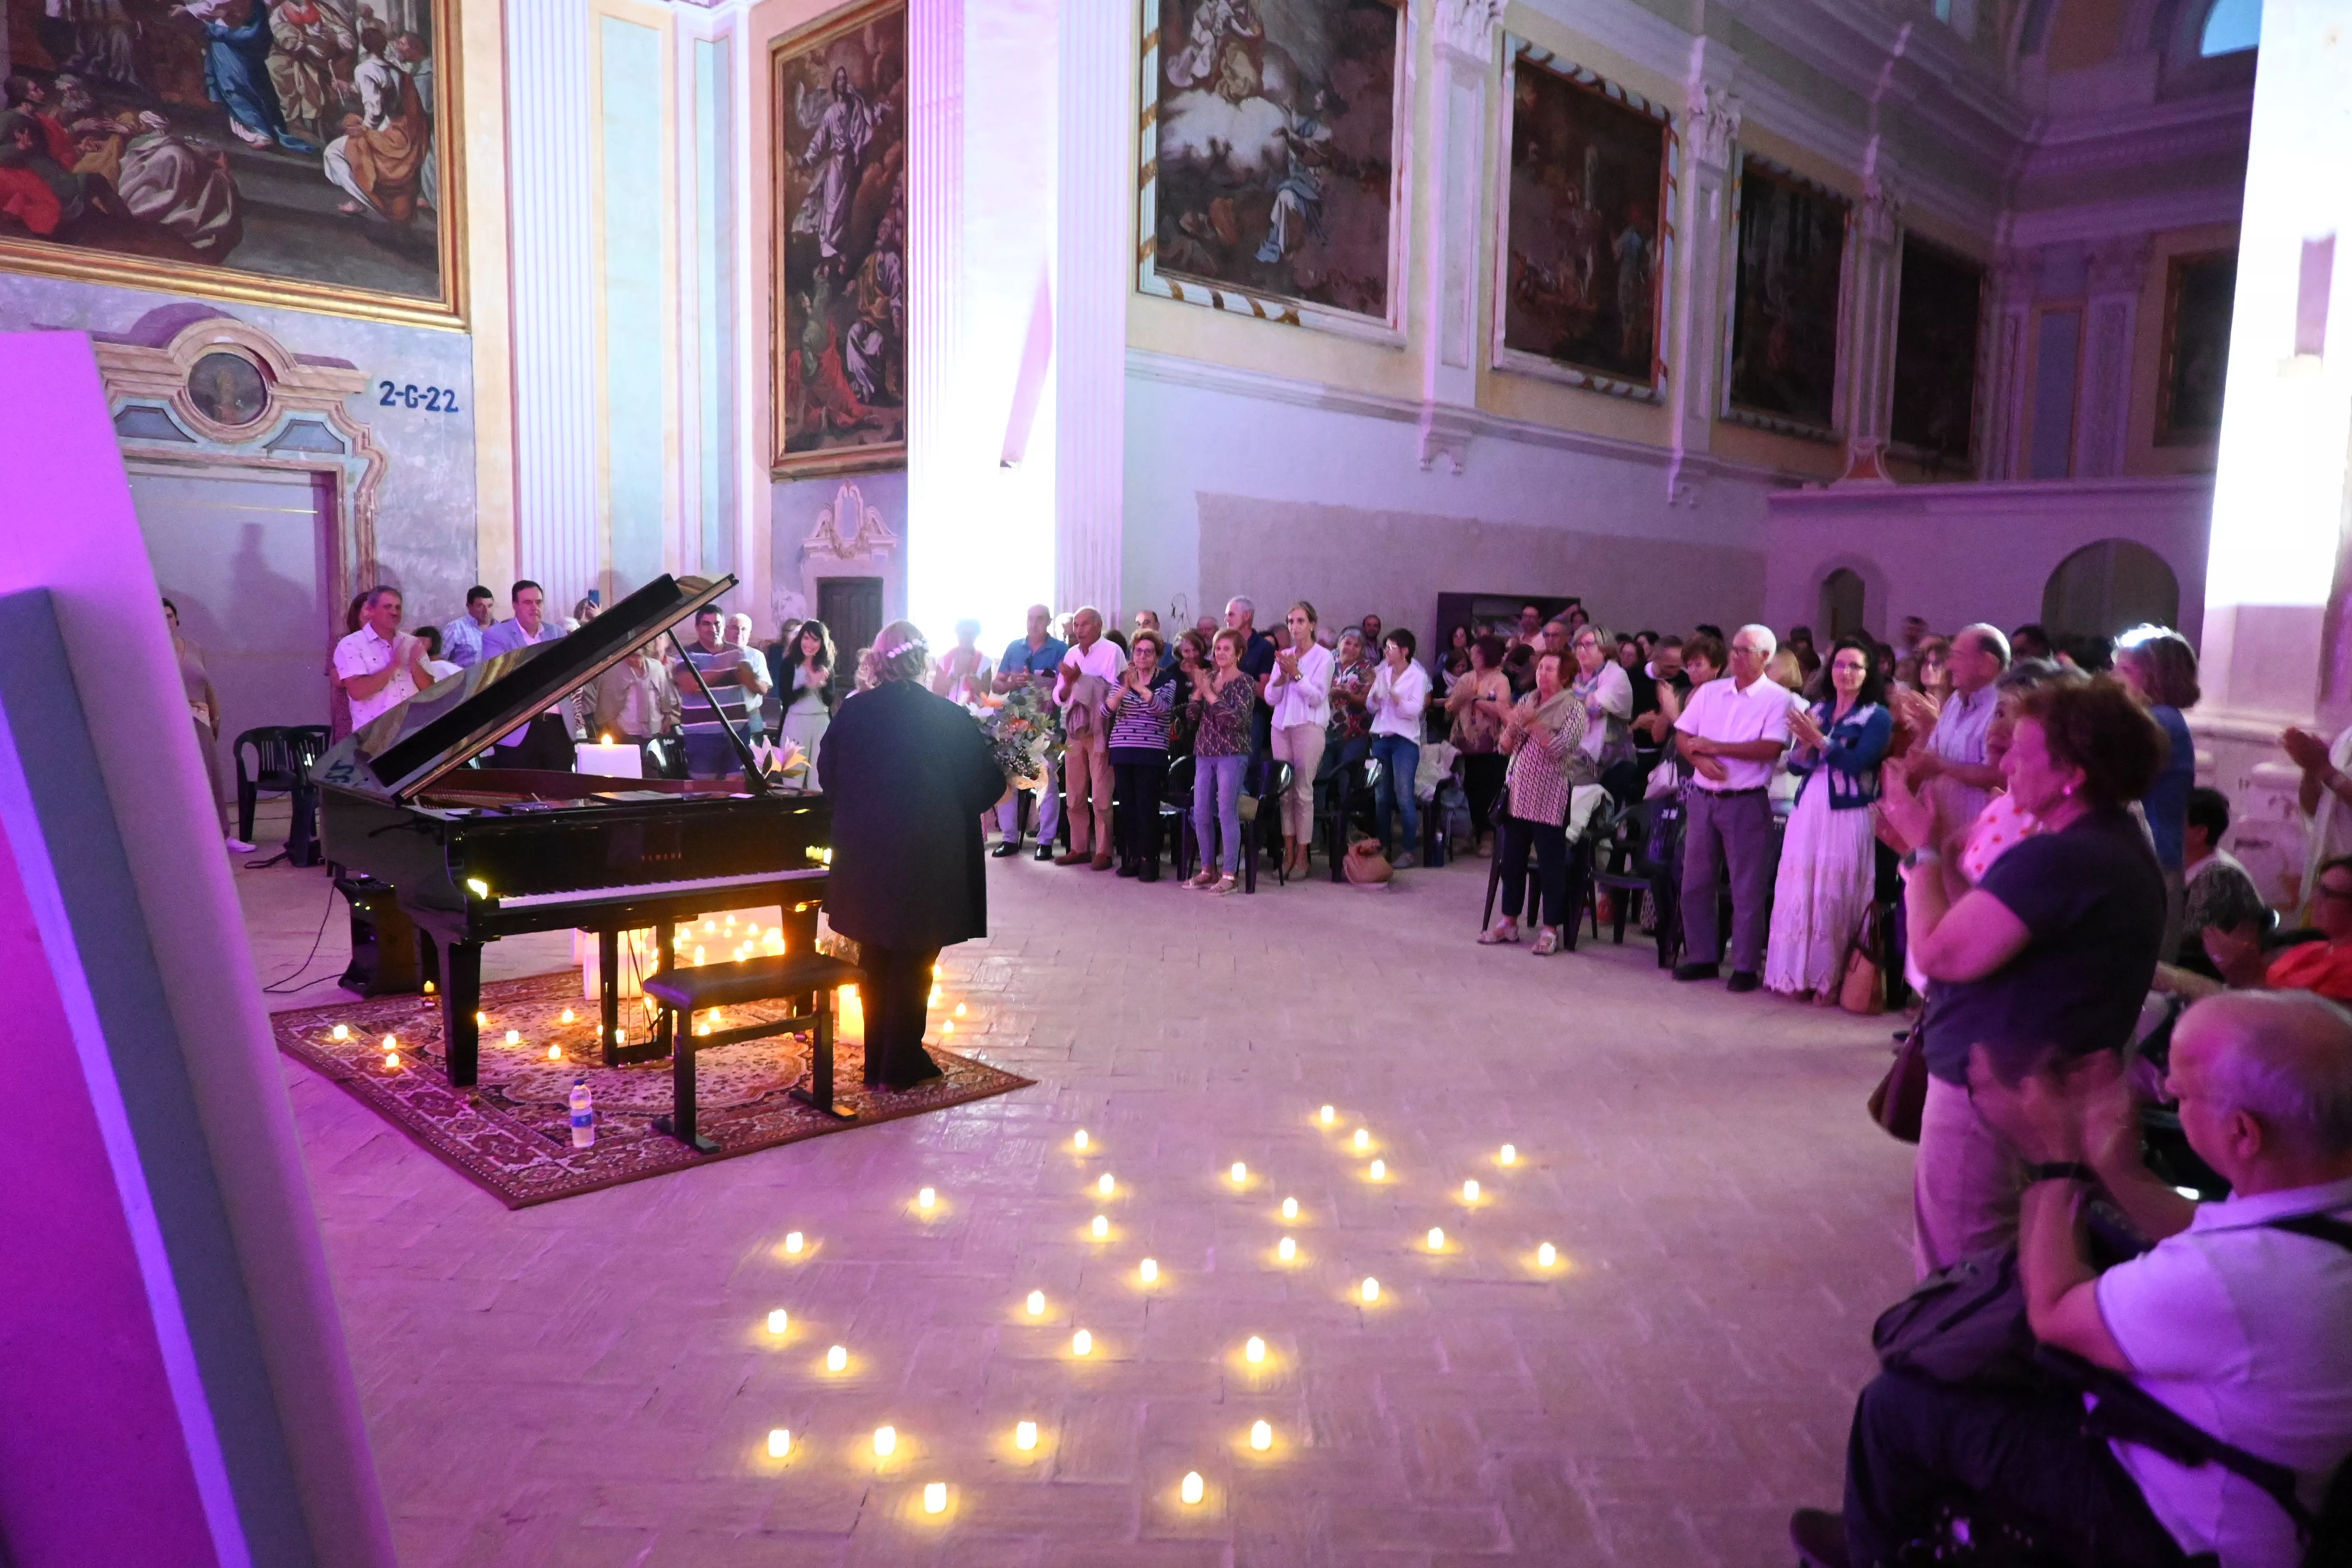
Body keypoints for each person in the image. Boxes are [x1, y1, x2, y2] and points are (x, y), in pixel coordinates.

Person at [1791, 989, 2352, 1568]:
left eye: (2180, 1093)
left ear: (2243, 1134)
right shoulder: (2313, 1199)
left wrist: (2052, 1156)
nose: (2162, 1094)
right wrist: (2118, 1167)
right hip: (2250, 1477)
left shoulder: (2237, 1281)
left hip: (2177, 1523)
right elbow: (2199, 1230)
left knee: (1900, 1404)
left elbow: (2055, 1312)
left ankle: (1868, 1553)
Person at [1878, 677, 2167, 1276]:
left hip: (1999, 1085)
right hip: (2035, 1081)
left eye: (2021, 752)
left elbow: (1939, 955)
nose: (2004, 763)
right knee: (2012, 1261)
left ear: (2073, 774)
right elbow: (1979, 930)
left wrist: (1921, 854)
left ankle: (1953, 1371)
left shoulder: (2062, 857)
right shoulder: (2103, 844)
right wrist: (1932, 865)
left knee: (1964, 1274)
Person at [815, 621, 1006, 1091]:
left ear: (878, 660)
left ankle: (878, 1056)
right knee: (917, 959)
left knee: (874, 955)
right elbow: (982, 787)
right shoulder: (947, 716)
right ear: (923, 661)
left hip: (866, 855)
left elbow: (828, 777)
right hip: (929, 855)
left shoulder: (853, 713)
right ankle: (902, 1058)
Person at [1765, 637, 1893, 1002]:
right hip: (1810, 805)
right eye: (1839, 665)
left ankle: (1833, 979)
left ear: (1868, 674)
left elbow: (1858, 763)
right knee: (1801, 889)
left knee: (1835, 894)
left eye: (1855, 666)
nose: (1846, 673)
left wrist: (1820, 742)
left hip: (1848, 810)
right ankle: (1797, 975)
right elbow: (1795, 765)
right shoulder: (1820, 709)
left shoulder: (1877, 716)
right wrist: (1805, 746)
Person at [1673, 626, 1795, 990]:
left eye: (1746, 650)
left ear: (1765, 657)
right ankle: (1702, 957)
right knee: (1695, 882)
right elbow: (1683, 733)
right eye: (1735, 649)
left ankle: (1744, 965)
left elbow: (1770, 748)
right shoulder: (1710, 692)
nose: (1736, 656)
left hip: (1745, 800)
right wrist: (1697, 757)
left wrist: (1715, 747)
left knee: (1746, 887)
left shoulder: (1778, 698)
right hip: (1703, 796)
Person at [1481, 649, 1588, 955]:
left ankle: (1551, 929)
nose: (1542, 674)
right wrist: (1510, 729)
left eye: (1550, 669)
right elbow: (1507, 745)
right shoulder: (1529, 700)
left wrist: (1533, 723)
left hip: (1551, 794)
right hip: (1519, 791)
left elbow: (1561, 750)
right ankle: (1509, 922)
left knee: (1550, 864)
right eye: (1541, 668)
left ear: (1565, 675)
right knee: (1511, 861)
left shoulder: (1573, 708)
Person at [2117, 625, 2201, 950]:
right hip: (2148, 855)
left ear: (2154, 678)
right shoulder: (2159, 718)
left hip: (2152, 858)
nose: (2112, 676)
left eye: (2124, 669)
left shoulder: (2160, 721)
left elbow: (2114, 777)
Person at [1899, 624, 2007, 833]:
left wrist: (1941, 766)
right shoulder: (1955, 701)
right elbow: (1931, 756)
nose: (1949, 665)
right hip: (1943, 833)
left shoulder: (2003, 709)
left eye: (1956, 656)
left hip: (1978, 837)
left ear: (1987, 664)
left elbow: (2001, 777)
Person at [166, 598, 254, 853]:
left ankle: (224, 835)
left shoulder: (193, 648)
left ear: (177, 619)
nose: (166, 622)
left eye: (170, 616)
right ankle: (190, 840)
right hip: (171, 726)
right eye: (160, 617)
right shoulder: (148, 652)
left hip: (200, 721)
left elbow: (206, 685)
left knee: (211, 776)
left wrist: (215, 717)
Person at [992, 604, 1069, 860]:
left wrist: (1037, 681)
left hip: (1045, 724)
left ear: (1048, 622)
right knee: (1008, 782)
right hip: (1014, 724)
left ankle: (1045, 841)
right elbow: (997, 684)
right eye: (1030, 619)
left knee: (1046, 782)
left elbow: (1067, 685)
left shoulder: (1060, 649)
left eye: (1039, 620)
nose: (1034, 624)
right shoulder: (1014, 647)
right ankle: (1009, 838)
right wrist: (1012, 682)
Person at [1052, 607, 1126, 870]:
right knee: (1074, 791)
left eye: (1085, 625)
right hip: (1075, 730)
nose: (1079, 630)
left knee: (1101, 793)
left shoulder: (1112, 651)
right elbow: (1058, 697)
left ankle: (1104, 851)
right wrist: (1069, 684)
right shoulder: (1071, 653)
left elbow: (1115, 689)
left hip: (1100, 728)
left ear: (1099, 626)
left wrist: (1081, 679)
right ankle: (1079, 848)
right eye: (1076, 625)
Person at [1265, 601, 1334, 878]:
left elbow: (1317, 697)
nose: (1295, 627)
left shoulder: (1323, 657)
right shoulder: (1284, 655)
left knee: (1303, 793)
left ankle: (1304, 856)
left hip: (1309, 726)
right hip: (1281, 726)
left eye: (1301, 621)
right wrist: (1281, 678)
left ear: (1312, 624)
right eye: (1291, 621)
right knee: (1285, 794)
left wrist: (1296, 673)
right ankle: (1288, 852)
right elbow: (1270, 697)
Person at [1186, 628, 1256, 894]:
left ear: (1238, 653)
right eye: (1217, 648)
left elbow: (1237, 720)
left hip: (1232, 753)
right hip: (1205, 752)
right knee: (1200, 811)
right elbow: (1192, 716)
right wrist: (1197, 692)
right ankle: (1207, 869)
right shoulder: (1210, 677)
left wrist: (1211, 695)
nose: (1221, 653)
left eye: (1227, 648)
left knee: (1227, 811)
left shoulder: (1245, 682)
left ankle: (1230, 873)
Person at [478, 580, 572, 769]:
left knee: (561, 794)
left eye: (539, 602)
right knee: (519, 794)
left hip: (558, 728)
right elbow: (501, 681)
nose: (535, 608)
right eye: (528, 603)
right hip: (518, 727)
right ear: (515, 606)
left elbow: (567, 674)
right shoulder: (497, 636)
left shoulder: (557, 633)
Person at [1107, 629, 1178, 881]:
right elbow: (1106, 713)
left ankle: (1150, 860)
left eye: (1149, 652)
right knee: (1128, 807)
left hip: (1151, 752)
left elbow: (1161, 709)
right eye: (1139, 651)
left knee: (1147, 807)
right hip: (1123, 750)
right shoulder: (1122, 679)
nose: (1143, 656)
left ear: (1158, 656)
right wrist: (1123, 692)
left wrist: (1140, 688)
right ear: (1133, 655)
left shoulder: (1167, 680)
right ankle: (1134, 857)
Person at [2178, 786, 2270, 975]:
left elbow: (2188, 942)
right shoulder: (2186, 866)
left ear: (2199, 833)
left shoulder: (2220, 876)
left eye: (2171, 820)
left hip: (2214, 979)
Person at [1367, 629, 1431, 868]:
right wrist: (1376, 695)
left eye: (1391, 647)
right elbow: (1371, 706)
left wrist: (1393, 696)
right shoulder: (1383, 672)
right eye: (1386, 647)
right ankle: (1383, 846)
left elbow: (1415, 711)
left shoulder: (1418, 675)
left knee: (1404, 795)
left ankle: (1409, 850)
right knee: (1381, 795)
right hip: (1382, 737)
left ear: (1404, 651)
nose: (1386, 651)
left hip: (1405, 740)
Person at [334, 583, 434, 734]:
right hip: (375, 738)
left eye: (398, 608)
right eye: (387, 607)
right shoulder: (351, 644)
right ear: (371, 611)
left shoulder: (412, 643)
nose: (394, 612)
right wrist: (393, 666)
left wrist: (413, 663)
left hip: (415, 731)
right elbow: (358, 691)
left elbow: (431, 691)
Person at [1446, 634, 1512, 855]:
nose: (1472, 657)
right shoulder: (1466, 678)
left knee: (1490, 789)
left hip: (1491, 744)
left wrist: (1475, 700)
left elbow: (1502, 709)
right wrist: (1459, 699)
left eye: (1476, 654)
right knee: (1470, 789)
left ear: (1486, 656)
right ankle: (1472, 833)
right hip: (1467, 742)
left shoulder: (1500, 680)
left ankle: (1488, 837)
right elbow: (1450, 708)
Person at [591, 645, 680, 773]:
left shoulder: (656, 668)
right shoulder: (614, 672)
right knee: (628, 771)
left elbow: (664, 696)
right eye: (629, 656)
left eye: (637, 656)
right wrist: (615, 728)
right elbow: (607, 704)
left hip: (654, 728)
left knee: (654, 770)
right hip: (625, 729)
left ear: (645, 654)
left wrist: (667, 717)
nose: (632, 660)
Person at [773, 619, 837, 790]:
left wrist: (821, 686)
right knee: (793, 775)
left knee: (819, 774)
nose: (809, 644)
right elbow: (786, 698)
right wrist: (807, 686)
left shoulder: (826, 666)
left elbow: (829, 701)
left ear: (822, 643)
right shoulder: (789, 664)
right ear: (800, 639)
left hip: (820, 722)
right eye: (806, 638)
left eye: (815, 640)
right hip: (796, 721)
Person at [1569, 623, 1635, 781]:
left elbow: (1595, 710)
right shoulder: (1573, 675)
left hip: (1604, 761)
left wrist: (1570, 698)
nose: (1581, 650)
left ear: (1605, 650)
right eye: (1578, 645)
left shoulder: (1616, 675)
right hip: (1571, 752)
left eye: (1589, 645)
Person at [441, 585, 494, 669]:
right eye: (481, 606)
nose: (487, 611)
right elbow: (439, 661)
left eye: (490, 606)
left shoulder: (500, 629)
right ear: (469, 606)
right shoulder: (455, 629)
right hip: (464, 681)